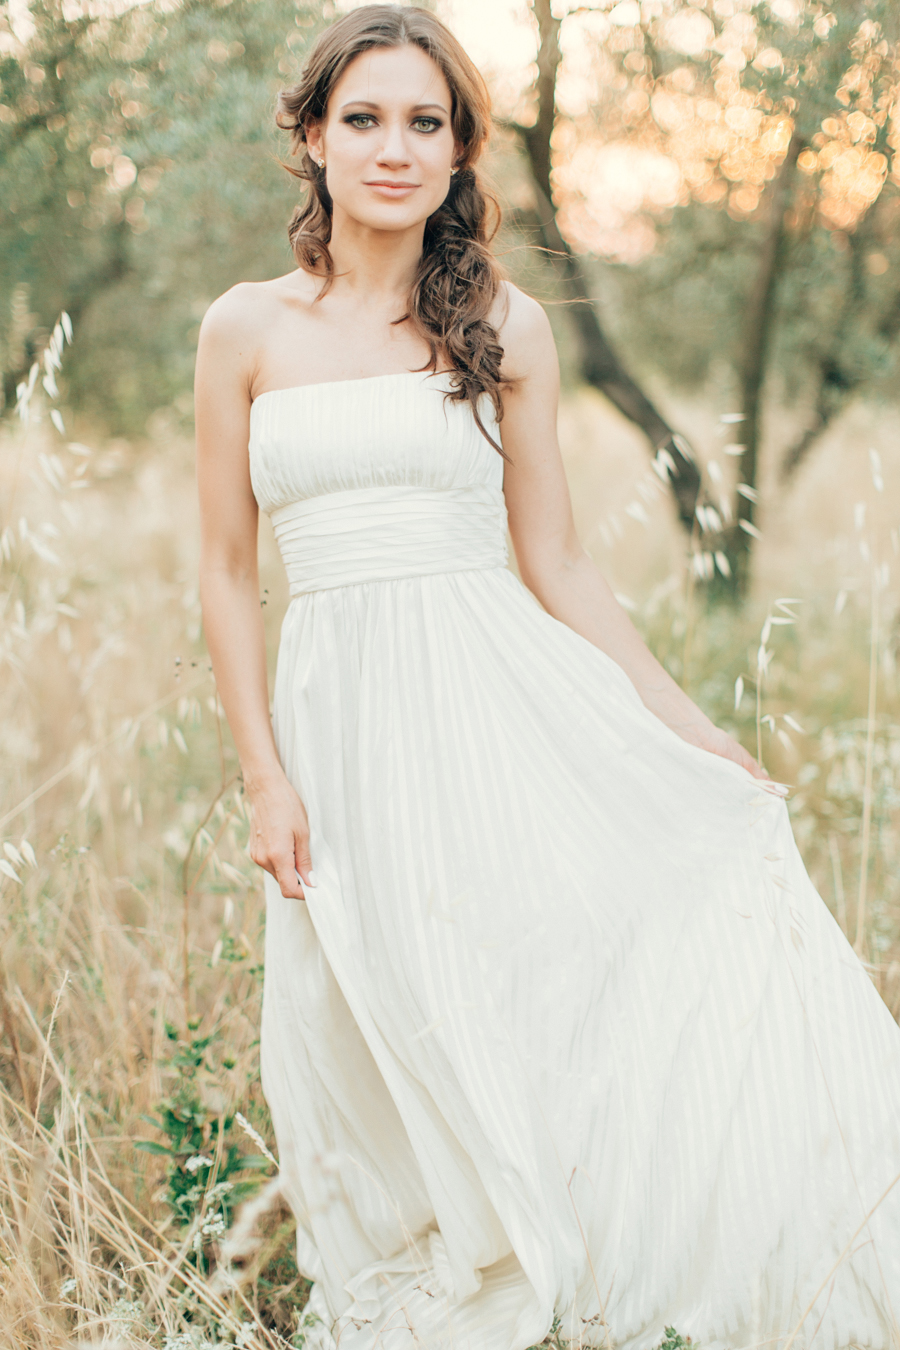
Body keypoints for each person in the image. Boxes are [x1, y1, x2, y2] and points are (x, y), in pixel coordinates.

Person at [194, 7, 900, 1348]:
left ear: (461, 150)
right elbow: (230, 572)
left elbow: (562, 565)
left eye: (425, 122)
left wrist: (692, 734)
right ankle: (438, 1259)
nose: (394, 149)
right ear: (309, 137)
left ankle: (587, 1249)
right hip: (336, 728)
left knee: (517, 980)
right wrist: (262, 771)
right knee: (366, 999)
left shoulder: (504, 325)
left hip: (497, 703)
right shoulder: (244, 329)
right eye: (364, 119)